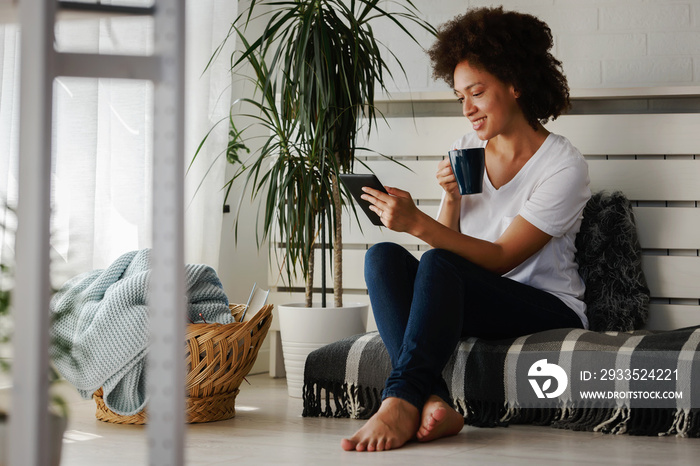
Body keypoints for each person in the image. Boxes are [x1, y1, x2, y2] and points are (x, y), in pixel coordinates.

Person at [341, 6, 591, 452]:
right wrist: (451, 201)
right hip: (475, 294)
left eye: (476, 92)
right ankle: (435, 399)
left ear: (515, 84)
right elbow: (449, 246)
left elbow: (500, 258)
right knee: (382, 257)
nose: (467, 108)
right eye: (460, 97)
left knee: (438, 260)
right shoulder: (465, 148)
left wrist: (417, 223)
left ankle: (400, 398)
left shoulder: (563, 165)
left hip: (545, 304)